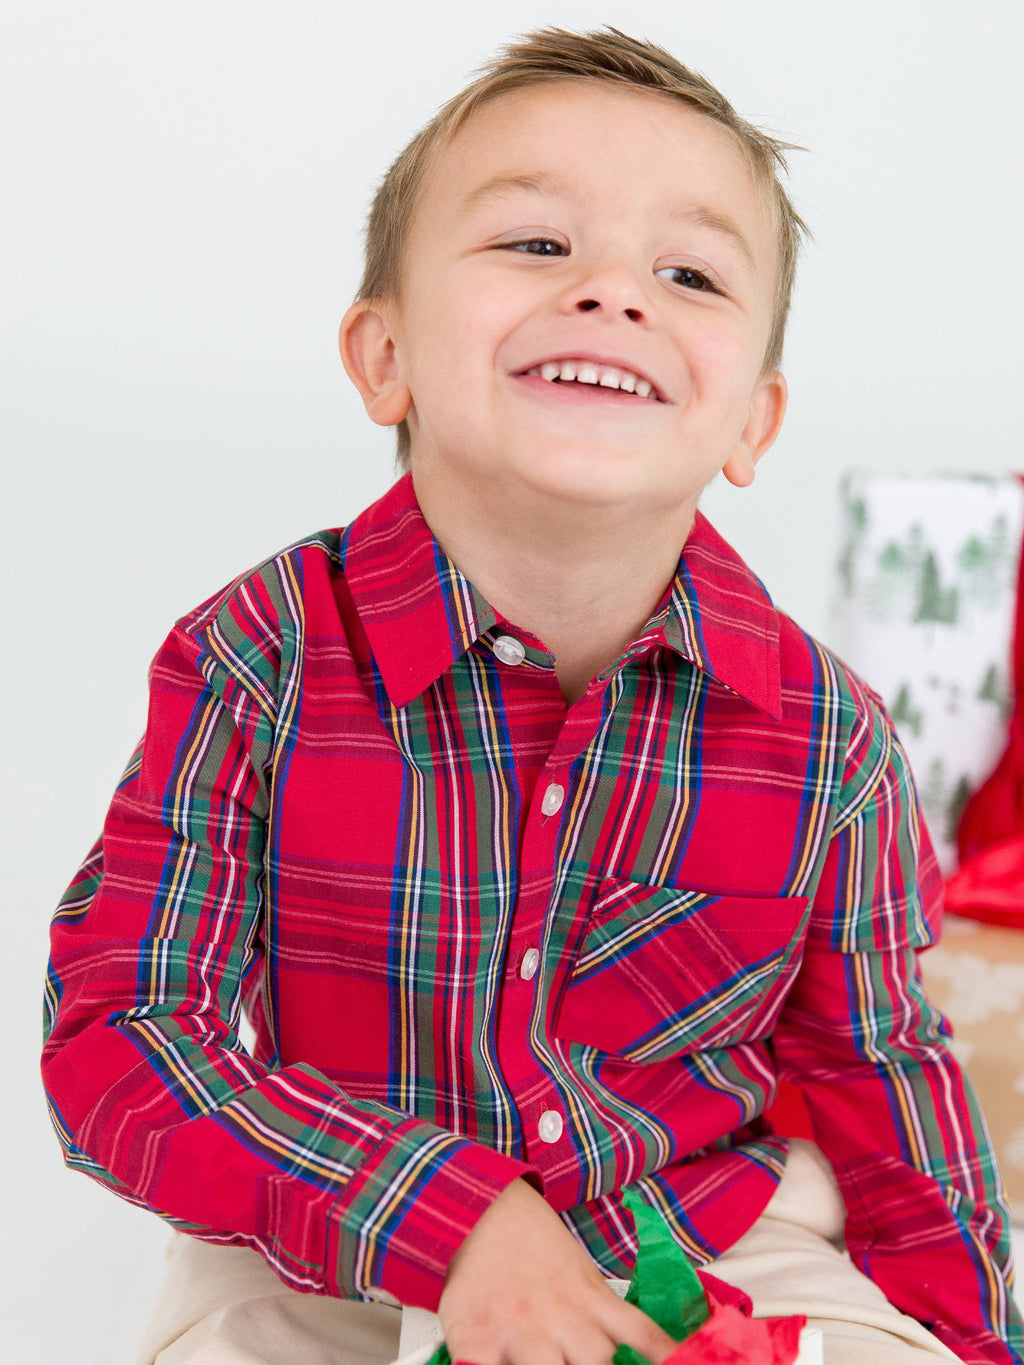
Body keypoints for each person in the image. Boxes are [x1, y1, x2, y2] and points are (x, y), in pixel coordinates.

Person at [39, 22, 1022, 1365]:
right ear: (383, 353)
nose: (614, 292)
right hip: (338, 1236)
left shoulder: (826, 731)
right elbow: (126, 1037)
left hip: (706, 1224)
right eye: (536, 245)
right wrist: (446, 1216)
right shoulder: (253, 658)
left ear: (753, 422)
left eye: (687, 271)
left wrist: (968, 1333)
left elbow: (883, 1077)